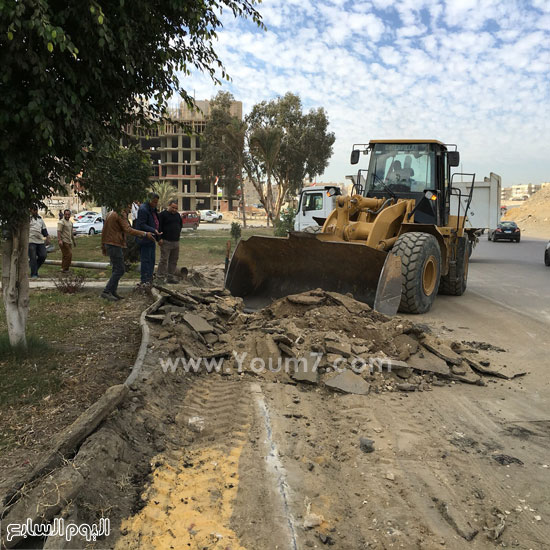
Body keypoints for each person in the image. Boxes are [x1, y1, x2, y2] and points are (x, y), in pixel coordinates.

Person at [100, 205, 155, 301]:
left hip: (110, 243)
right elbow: (128, 229)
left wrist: (103, 245)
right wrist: (145, 234)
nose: (130, 209)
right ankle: (107, 291)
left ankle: (112, 291)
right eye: (129, 207)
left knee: (116, 269)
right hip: (114, 244)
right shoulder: (120, 214)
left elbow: (104, 230)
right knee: (120, 269)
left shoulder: (111, 213)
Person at [136, 193, 162, 286]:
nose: (155, 204)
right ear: (149, 200)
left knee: (152, 260)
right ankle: (144, 280)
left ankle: (150, 279)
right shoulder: (143, 209)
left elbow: (156, 221)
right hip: (145, 238)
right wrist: (153, 230)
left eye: (156, 202)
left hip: (152, 238)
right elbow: (142, 224)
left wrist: (158, 236)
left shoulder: (153, 209)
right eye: (154, 202)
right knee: (146, 260)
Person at [157, 199, 183, 283]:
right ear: (169, 206)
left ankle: (170, 277)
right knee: (164, 260)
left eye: (176, 208)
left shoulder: (178, 215)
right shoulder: (162, 215)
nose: (174, 210)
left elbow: (180, 225)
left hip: (176, 241)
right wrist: (159, 238)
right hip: (166, 241)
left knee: (174, 260)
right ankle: (160, 277)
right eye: (173, 208)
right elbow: (158, 227)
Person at [28, 205, 50, 278]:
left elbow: (44, 229)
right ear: (30, 211)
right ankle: (34, 274)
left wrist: (47, 237)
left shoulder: (40, 219)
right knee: (33, 257)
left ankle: (35, 268)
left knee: (43, 255)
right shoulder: (28, 219)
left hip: (39, 241)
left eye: (36, 210)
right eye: (33, 210)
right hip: (31, 240)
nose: (35, 212)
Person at [57, 209, 76, 273]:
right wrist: (59, 240)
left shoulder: (70, 222)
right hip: (64, 241)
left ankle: (64, 268)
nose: (67, 216)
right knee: (69, 255)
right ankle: (65, 268)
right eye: (66, 214)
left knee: (65, 255)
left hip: (69, 241)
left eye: (68, 214)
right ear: (64, 214)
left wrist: (74, 241)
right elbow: (59, 231)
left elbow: (71, 232)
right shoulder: (61, 222)